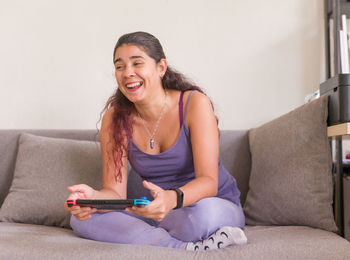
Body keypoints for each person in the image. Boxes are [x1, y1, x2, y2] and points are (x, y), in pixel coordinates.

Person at [64, 31, 247, 251]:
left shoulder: (194, 104)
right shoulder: (115, 118)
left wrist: (171, 199)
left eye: (137, 63)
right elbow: (115, 193)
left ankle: (155, 238)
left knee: (200, 216)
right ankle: (183, 248)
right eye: (119, 66)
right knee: (82, 220)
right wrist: (92, 199)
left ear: (161, 67)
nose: (127, 73)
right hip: (158, 213)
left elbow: (209, 181)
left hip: (209, 206)